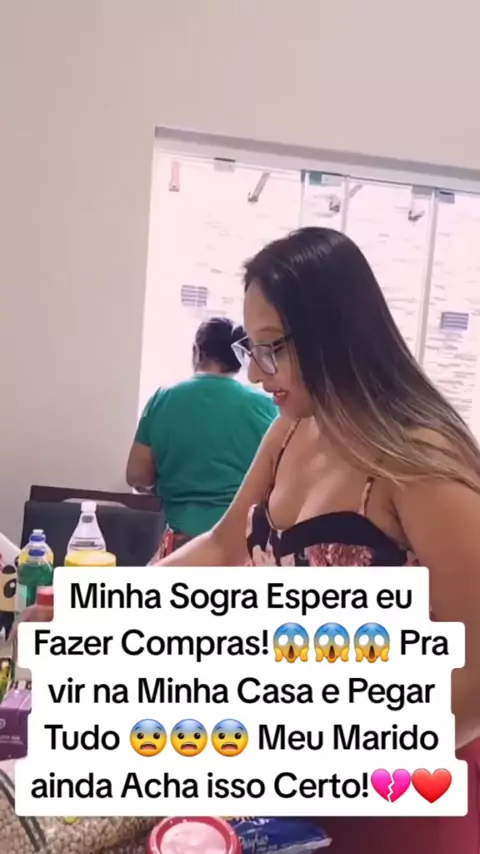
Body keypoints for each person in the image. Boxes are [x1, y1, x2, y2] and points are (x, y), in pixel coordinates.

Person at [154, 228, 480, 853]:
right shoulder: (291, 429)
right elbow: (223, 545)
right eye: (252, 348)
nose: (255, 373)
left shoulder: (418, 459)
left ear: (334, 331)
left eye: (270, 348)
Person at [126, 316, 277, 557]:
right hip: (243, 547)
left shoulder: (163, 398)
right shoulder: (267, 406)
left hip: (183, 544)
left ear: (197, 351)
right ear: (239, 360)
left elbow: (137, 476)